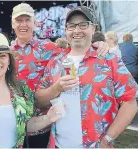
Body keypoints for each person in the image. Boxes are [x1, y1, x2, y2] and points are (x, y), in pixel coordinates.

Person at [35, 6, 138, 148]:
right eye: (71, 26)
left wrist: (107, 138)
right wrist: (55, 88)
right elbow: (39, 100)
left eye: (83, 25)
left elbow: (130, 103)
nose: (76, 30)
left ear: (93, 29)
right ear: (66, 30)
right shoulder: (55, 63)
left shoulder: (109, 60)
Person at [10, 3, 110, 148]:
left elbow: (76, 50)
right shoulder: (6, 53)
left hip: (42, 126)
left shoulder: (49, 48)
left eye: (27, 20)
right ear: (12, 23)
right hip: (15, 126)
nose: (23, 24)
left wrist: (99, 44)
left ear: (35, 22)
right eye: (19, 20)